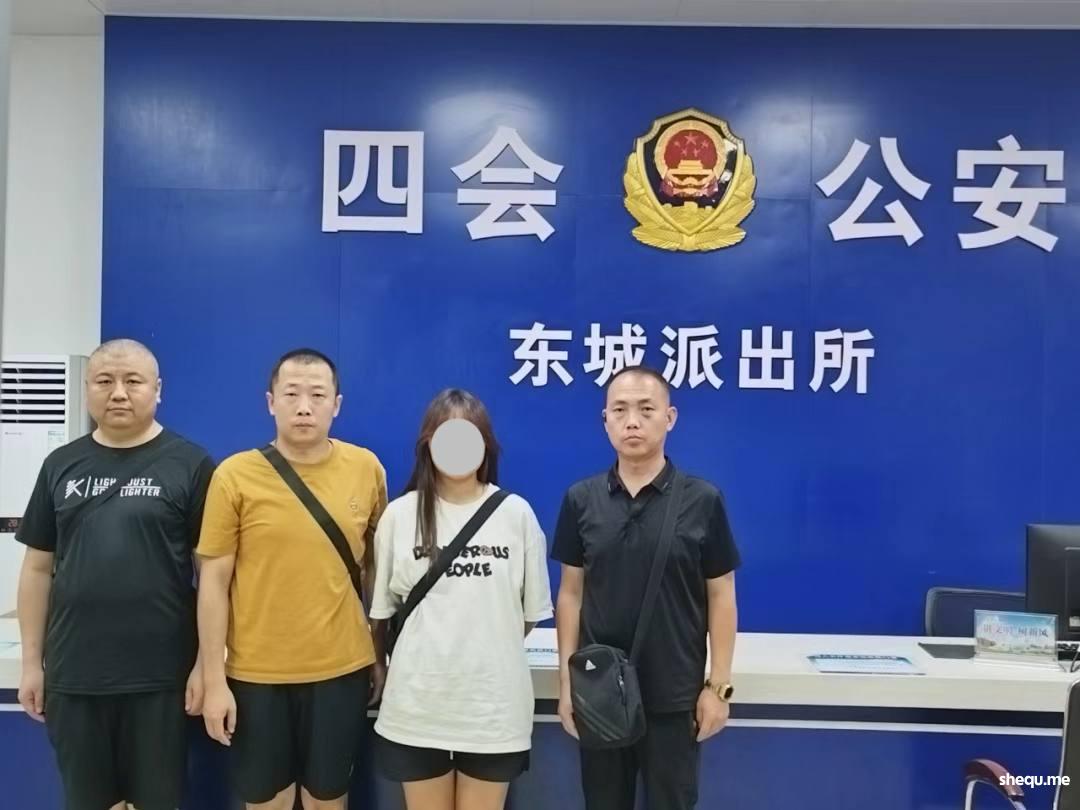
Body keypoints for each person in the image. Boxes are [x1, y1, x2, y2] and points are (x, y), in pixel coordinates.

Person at [15, 338, 216, 810]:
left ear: (158, 389)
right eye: (105, 381)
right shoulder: (60, 465)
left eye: (133, 381)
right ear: (88, 389)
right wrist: (31, 664)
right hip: (75, 674)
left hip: (161, 676)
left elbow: (212, 575)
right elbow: (37, 569)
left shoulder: (191, 464)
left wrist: (206, 665)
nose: (119, 393)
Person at [197, 348, 388, 810]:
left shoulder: (366, 468)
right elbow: (213, 583)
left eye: (317, 395)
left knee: (329, 799)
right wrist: (213, 678)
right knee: (268, 802)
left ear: (336, 405)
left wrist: (378, 653)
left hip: (341, 670)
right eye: (292, 395)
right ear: (270, 402)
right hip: (255, 674)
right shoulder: (234, 476)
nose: (304, 407)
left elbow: (376, 572)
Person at [552, 365, 740, 810]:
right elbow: (571, 594)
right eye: (619, 410)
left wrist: (718, 688)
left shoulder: (702, 500)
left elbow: (721, 595)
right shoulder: (581, 499)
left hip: (676, 697)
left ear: (670, 418)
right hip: (600, 692)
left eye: (646, 409)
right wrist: (567, 684)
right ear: (605, 421)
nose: (632, 421)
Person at [369, 388, 553, 810]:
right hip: (417, 706)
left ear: (485, 445)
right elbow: (382, 612)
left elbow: (525, 617)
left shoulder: (516, 514)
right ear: (427, 444)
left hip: (493, 710)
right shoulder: (400, 515)